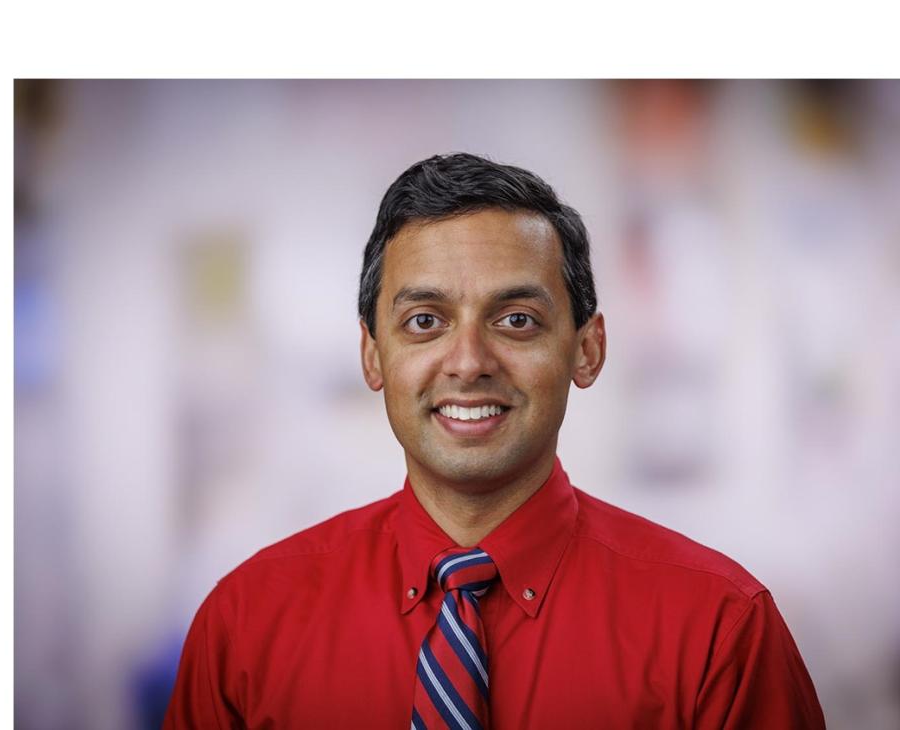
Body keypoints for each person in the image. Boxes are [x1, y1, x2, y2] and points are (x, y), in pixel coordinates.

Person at [164, 153, 825, 729]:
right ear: (372, 357)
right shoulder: (246, 627)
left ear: (587, 350)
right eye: (425, 321)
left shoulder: (719, 632)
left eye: (515, 320)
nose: (469, 360)